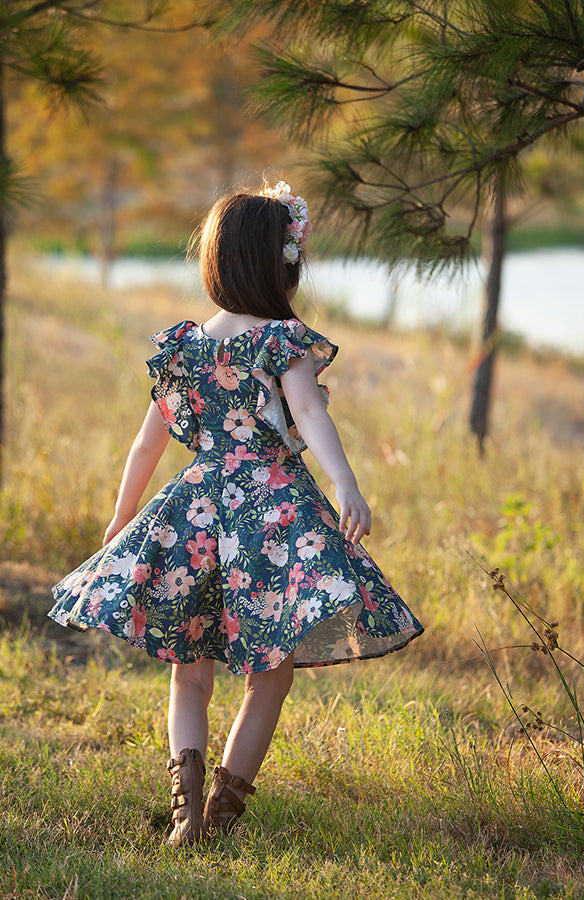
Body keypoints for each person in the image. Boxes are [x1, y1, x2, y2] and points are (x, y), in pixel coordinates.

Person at [49, 180, 424, 845]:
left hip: (195, 512)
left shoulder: (184, 347)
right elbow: (308, 412)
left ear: (219, 261)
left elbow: (147, 442)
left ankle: (184, 812)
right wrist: (345, 484)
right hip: (273, 515)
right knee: (268, 675)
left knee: (188, 674)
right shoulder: (281, 342)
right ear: (281, 264)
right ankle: (222, 814)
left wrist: (122, 515)